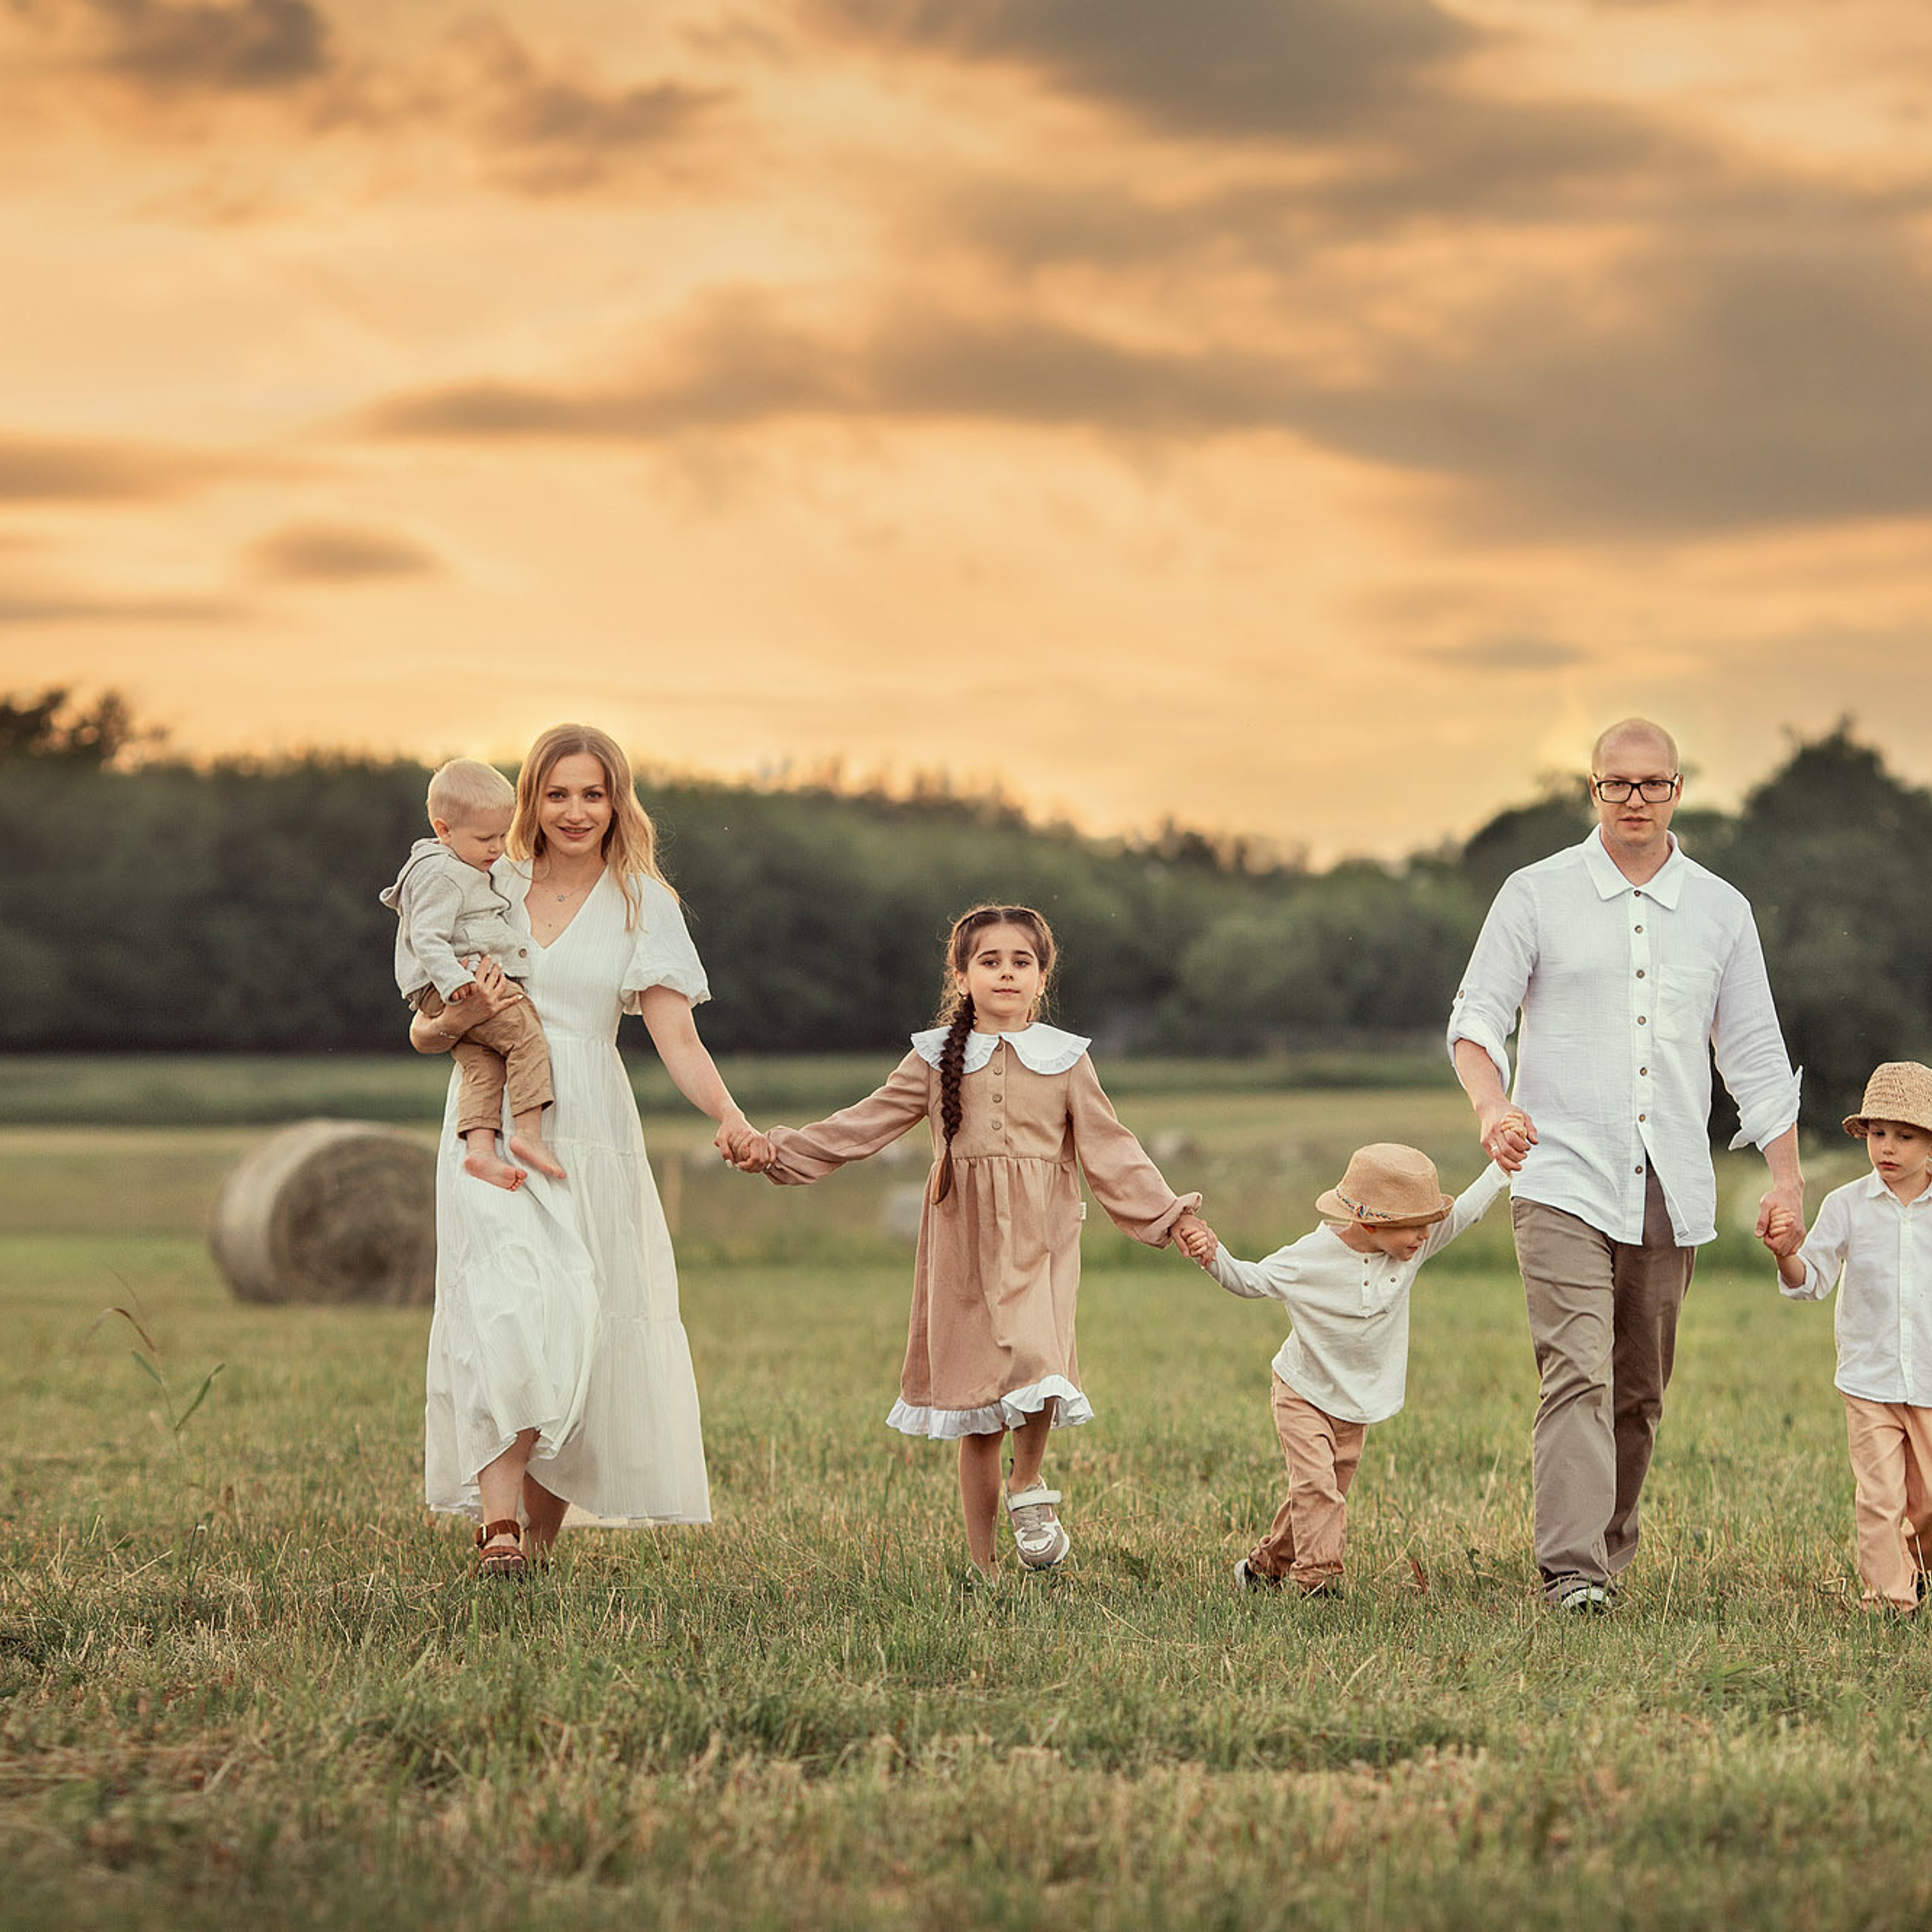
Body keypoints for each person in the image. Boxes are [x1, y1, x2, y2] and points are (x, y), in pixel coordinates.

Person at [730, 904, 1212, 1583]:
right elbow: (861, 1126)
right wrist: (774, 1150)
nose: (1006, 973)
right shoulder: (931, 1060)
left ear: (1043, 978)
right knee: (980, 1408)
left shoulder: (1068, 1060)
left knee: (1042, 1364)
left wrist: (1169, 1215)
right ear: (961, 975)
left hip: (1042, 1237)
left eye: (1022, 962)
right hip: (962, 1242)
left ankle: (1029, 1485)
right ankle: (984, 1566)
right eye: (990, 961)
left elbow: (1112, 1150)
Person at [1448, 716, 1804, 1611]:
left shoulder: (1721, 911)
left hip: (1669, 1178)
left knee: (1639, 1391)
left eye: (1652, 784)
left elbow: (1755, 1055)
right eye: (1618, 784)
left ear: (1678, 789)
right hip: (1559, 1169)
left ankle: (1605, 1554)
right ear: (1593, 790)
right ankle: (1571, 1570)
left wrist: (1788, 1176)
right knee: (1577, 1367)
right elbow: (1476, 1018)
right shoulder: (1535, 894)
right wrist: (1493, 1108)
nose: (1635, 799)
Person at [411, 724, 761, 1578]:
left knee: (582, 1326)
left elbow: (677, 1037)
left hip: (592, 1123)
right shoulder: (487, 881)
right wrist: (459, 1014)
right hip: (488, 1113)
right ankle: (497, 1525)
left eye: (593, 793)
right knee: (507, 1307)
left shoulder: (645, 901)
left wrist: (729, 1114)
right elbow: (425, 1018)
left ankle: (530, 1546)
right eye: (557, 793)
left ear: (618, 802)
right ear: (530, 798)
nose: (575, 811)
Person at [1186, 1144, 1508, 1597]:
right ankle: (1319, 1582)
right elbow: (1249, 1280)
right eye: (1413, 1227)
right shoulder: (1309, 1258)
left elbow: (1467, 1213)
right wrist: (1212, 1254)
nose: (1423, 1237)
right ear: (1372, 1222)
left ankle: (1262, 1569)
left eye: (1427, 1225)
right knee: (1318, 1489)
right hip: (1303, 1392)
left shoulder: (1409, 1249)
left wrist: (1501, 1166)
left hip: (1354, 1406)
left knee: (1321, 1497)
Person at [1764, 1062, 1932, 1611]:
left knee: (1926, 1504)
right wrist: (1787, 1252)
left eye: (1904, 1136)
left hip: (1930, 1380)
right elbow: (1808, 1282)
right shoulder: (1846, 1206)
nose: (1888, 1148)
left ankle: (1919, 1567)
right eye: (1878, 1133)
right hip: (1869, 1380)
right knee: (1881, 1497)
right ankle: (1887, 1601)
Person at [381, 757, 562, 1192]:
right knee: (525, 1034)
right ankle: (529, 1135)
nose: (497, 847)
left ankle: (480, 1152)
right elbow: (427, 939)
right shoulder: (444, 875)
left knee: (482, 1065)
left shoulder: (458, 865)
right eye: (485, 838)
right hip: (455, 985)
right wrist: (456, 983)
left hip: (448, 986)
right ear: (444, 830)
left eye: (502, 834)